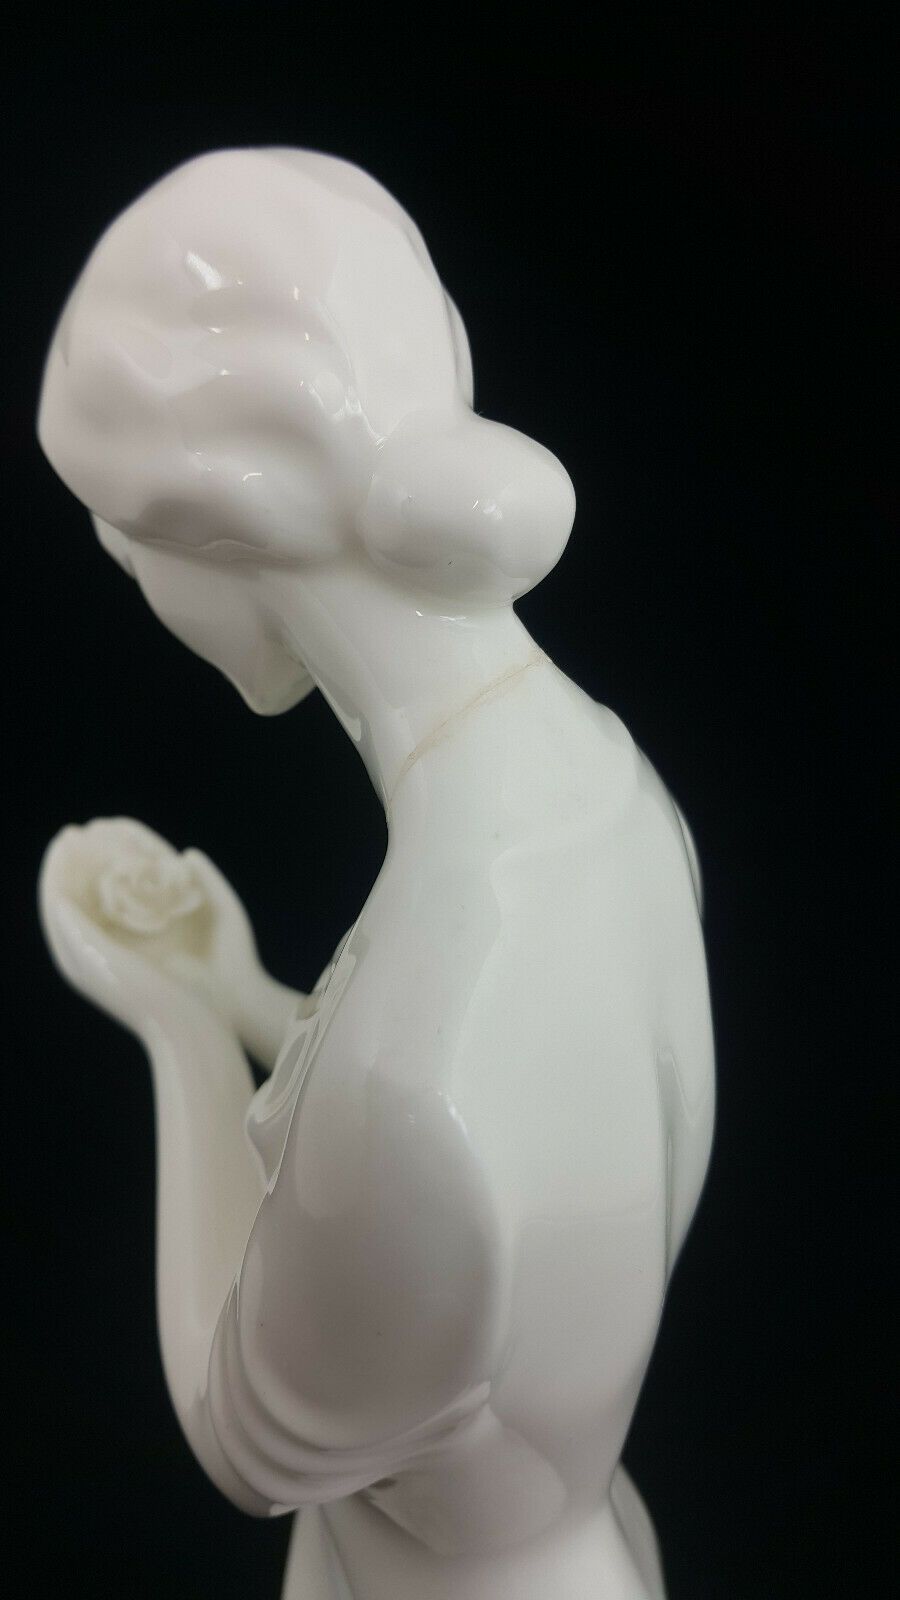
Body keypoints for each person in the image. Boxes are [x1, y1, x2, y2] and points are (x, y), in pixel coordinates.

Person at [38, 148, 713, 1599]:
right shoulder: (621, 798)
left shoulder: (405, 1102)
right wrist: (243, 990)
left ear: (215, 529)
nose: (142, 593)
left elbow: (242, 1437)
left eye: (128, 550)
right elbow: (481, 1143)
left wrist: (176, 1027)